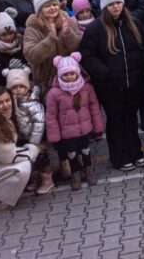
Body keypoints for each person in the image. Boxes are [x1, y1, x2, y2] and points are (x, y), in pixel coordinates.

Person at [78, 0, 144, 171]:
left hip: (134, 82)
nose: (116, 7)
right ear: (105, 7)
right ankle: (119, 156)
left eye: (118, 2)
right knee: (116, 120)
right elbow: (87, 55)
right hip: (110, 87)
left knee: (131, 118)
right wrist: (105, 73)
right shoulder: (95, 29)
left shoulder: (133, 23)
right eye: (112, 4)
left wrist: (143, 64)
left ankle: (136, 152)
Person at [44, 53, 103, 190]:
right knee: (71, 153)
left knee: (86, 150)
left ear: (77, 72)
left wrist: (97, 127)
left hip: (85, 129)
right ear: (60, 75)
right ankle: (75, 173)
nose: (69, 77)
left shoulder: (87, 88)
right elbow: (51, 116)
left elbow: (94, 108)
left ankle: (88, 170)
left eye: (72, 73)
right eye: (66, 74)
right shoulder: (54, 93)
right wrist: (55, 136)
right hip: (67, 132)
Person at [3, 68, 53, 196]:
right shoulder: (11, 104)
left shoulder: (33, 103)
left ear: (27, 88)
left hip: (36, 139)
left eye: (21, 86)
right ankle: (34, 179)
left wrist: (34, 142)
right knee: (29, 160)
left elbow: (39, 123)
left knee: (41, 159)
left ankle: (47, 180)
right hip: (21, 138)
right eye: (14, 87)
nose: (18, 89)